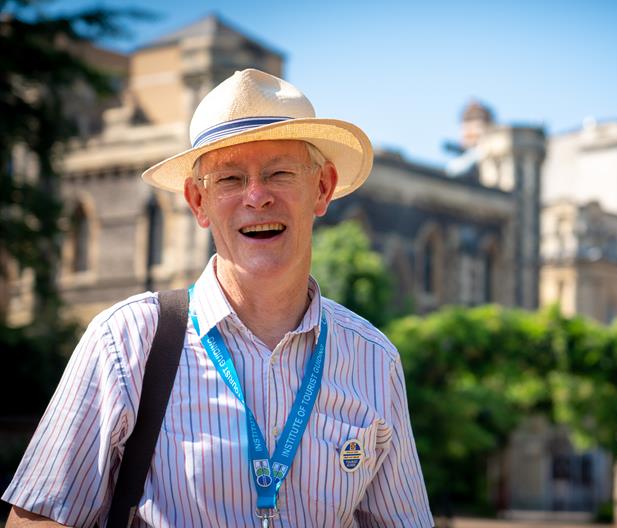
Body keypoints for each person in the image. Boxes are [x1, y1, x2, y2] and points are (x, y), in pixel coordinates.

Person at [3, 69, 433, 527]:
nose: (256, 197)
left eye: (280, 173)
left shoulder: (373, 360)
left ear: (322, 188)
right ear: (197, 202)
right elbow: (38, 520)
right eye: (229, 179)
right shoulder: (125, 343)